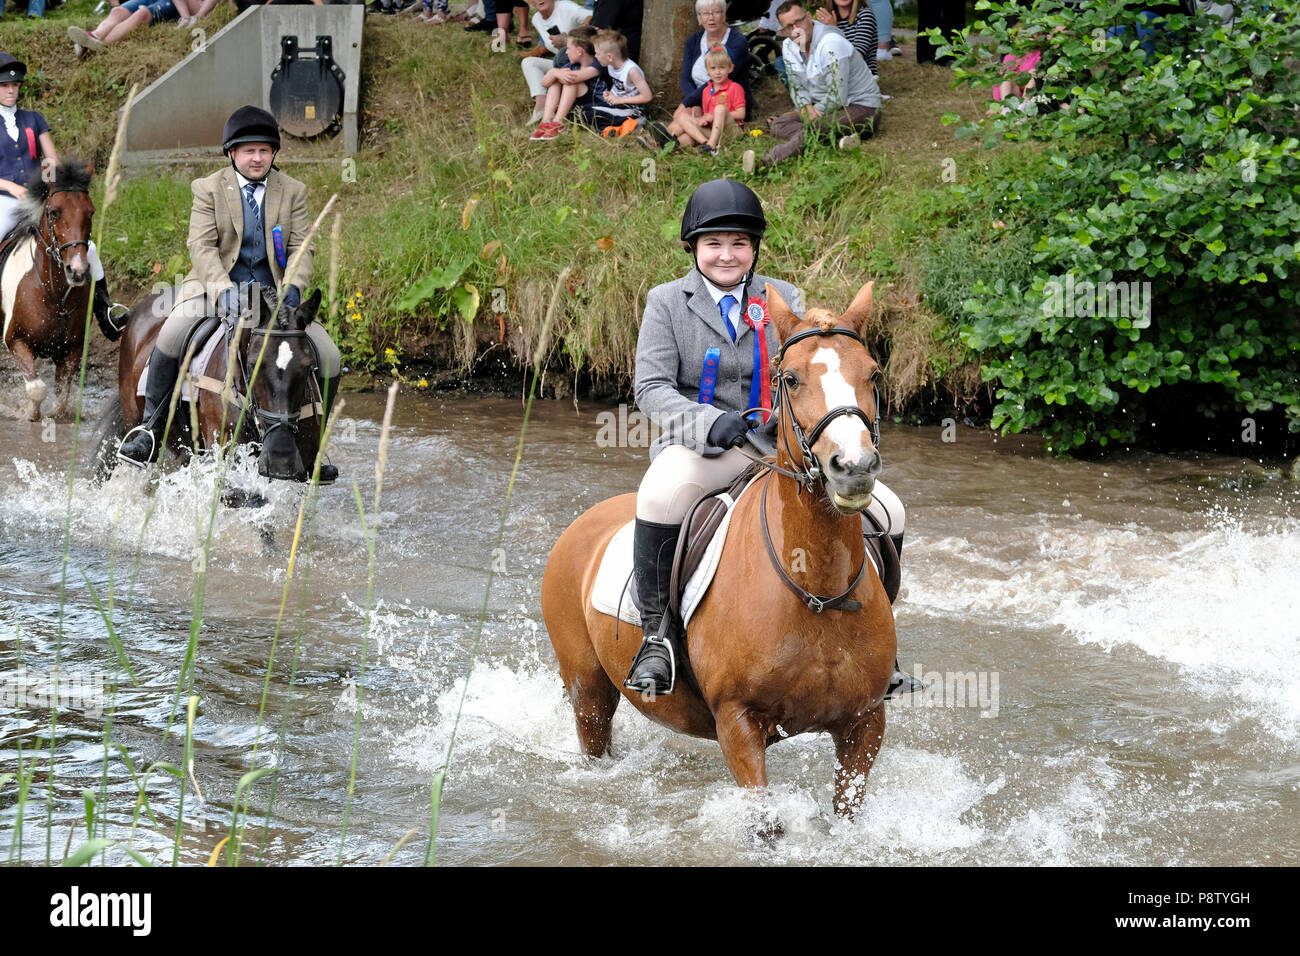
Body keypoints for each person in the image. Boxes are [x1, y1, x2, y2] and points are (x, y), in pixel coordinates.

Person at [628, 178, 919, 700]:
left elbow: (811, 376)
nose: (726, 254)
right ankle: (657, 637)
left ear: (754, 249)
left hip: (779, 449)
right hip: (704, 449)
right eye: (713, 244)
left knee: (890, 510)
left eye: (739, 243)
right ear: (694, 247)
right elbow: (650, 387)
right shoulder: (666, 302)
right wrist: (705, 423)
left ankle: (880, 647)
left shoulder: (784, 299)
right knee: (661, 493)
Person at [117, 106, 341, 477]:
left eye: (264, 151)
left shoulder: (293, 192)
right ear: (232, 153)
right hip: (214, 288)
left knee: (329, 354)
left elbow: (303, 248)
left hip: (272, 299)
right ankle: (151, 430)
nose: (257, 158)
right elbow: (201, 247)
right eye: (249, 151)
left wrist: (293, 289)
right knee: (172, 333)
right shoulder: (208, 189)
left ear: (273, 154)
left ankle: (314, 450)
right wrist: (224, 291)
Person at [0, 52, 123, 333]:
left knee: (87, 247)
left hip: (39, 197)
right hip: (4, 199)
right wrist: (9, 186)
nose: (11, 90)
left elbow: (51, 160)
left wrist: (53, 184)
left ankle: (106, 313)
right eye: (5, 86)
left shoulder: (34, 119)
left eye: (15, 85)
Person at [761, 1, 882, 167]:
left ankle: (770, 159)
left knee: (815, 127)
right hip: (825, 110)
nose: (796, 29)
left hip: (860, 107)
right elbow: (797, 87)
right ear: (783, 30)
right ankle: (837, 140)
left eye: (799, 21)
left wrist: (814, 111)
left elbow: (837, 96)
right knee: (779, 124)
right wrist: (804, 107)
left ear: (809, 17)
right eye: (789, 26)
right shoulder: (789, 46)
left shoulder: (830, 42)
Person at [674, 0, 753, 136]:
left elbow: (721, 79)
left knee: (687, 120)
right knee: (687, 118)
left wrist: (690, 102)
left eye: (716, 12)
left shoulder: (738, 41)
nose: (711, 18)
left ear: (724, 15)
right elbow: (685, 78)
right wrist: (695, 105)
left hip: (727, 103)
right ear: (699, 19)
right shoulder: (693, 40)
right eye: (705, 13)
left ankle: (665, 142)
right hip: (701, 99)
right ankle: (665, 144)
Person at [518, 0, 592, 126]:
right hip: (563, 62)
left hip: (582, 63)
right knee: (529, 62)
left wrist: (569, 39)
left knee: (561, 56)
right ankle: (541, 104)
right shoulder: (536, 19)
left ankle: (559, 111)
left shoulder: (565, 6)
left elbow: (592, 18)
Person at [666, 46, 745, 154]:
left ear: (730, 68)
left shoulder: (735, 87)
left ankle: (711, 145)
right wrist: (704, 119)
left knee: (720, 109)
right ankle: (669, 145)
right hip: (712, 131)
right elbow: (706, 114)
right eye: (713, 68)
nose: (717, 72)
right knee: (682, 118)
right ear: (707, 71)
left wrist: (713, 116)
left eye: (722, 67)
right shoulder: (706, 90)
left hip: (730, 132)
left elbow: (741, 114)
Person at [529, 25, 603, 141]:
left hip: (594, 105)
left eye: (568, 48)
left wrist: (555, 73)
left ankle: (558, 122)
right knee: (555, 81)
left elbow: (573, 78)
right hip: (576, 105)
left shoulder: (596, 64)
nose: (566, 52)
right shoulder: (571, 65)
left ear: (579, 51)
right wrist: (554, 72)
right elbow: (544, 83)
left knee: (570, 81)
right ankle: (546, 122)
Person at [587, 30, 651, 137]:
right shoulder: (610, 65)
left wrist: (621, 100)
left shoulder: (631, 71)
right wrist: (610, 94)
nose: (595, 57)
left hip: (631, 109)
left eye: (597, 53)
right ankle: (617, 129)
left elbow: (647, 96)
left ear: (610, 57)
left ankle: (634, 123)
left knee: (591, 114)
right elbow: (619, 87)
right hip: (617, 106)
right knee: (584, 110)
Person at [815, 0, 878, 75]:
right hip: (835, 74)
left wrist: (834, 30)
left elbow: (856, 58)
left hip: (861, 76)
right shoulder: (827, 19)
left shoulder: (865, 15)